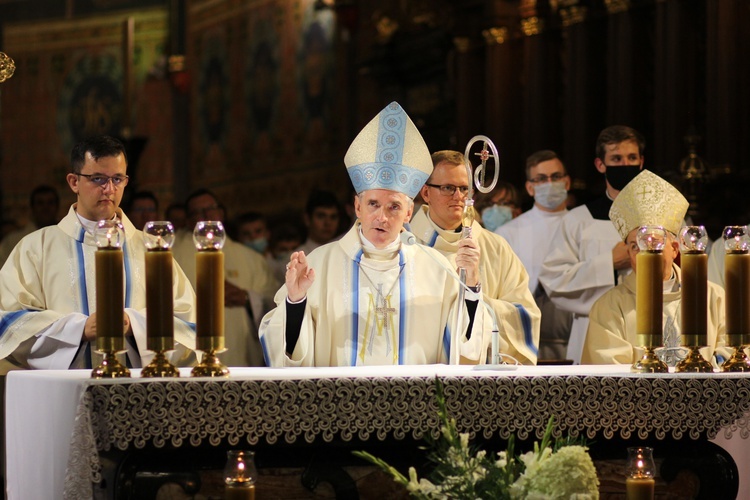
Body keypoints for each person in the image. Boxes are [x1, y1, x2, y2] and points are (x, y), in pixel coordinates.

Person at [259, 102, 492, 367]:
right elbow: (282, 347)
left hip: (416, 404)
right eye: (373, 205)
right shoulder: (320, 265)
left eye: (394, 207)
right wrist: (296, 300)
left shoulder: (437, 268)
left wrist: (471, 283)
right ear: (357, 207)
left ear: (408, 214)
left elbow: (468, 344)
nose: (382, 217)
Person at [0, 135, 196, 370]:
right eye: (98, 179)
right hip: (65, 394)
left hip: (138, 391)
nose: (109, 189)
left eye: (117, 179)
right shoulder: (36, 248)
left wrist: (134, 324)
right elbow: (10, 323)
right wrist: (78, 330)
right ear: (74, 182)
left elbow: (189, 322)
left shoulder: (153, 249)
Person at [582, 170, 728, 366]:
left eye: (653, 243)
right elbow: (610, 376)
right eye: (635, 246)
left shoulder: (713, 297)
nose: (644, 253)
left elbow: (729, 356)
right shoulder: (610, 307)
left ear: (675, 249)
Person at [409, 150, 540, 365]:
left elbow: (525, 314)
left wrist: (472, 306)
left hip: (482, 379)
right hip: (423, 373)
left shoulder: (495, 247)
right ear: (425, 193)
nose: (459, 197)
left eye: (464, 189)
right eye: (448, 188)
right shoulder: (407, 245)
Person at [539, 125, 645, 363]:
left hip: (649, 326)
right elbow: (553, 280)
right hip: (593, 327)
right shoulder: (578, 220)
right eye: (616, 158)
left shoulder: (661, 217)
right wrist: (608, 264)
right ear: (600, 164)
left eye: (631, 158)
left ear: (641, 162)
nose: (624, 164)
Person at [173, 189, 278, 367]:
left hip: (242, 358)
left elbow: (275, 302)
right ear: (188, 220)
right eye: (198, 212)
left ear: (221, 213)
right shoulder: (174, 255)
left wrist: (247, 298)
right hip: (192, 361)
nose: (206, 215)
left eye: (211, 208)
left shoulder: (250, 258)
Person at [495, 150, 573, 361]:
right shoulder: (509, 232)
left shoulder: (584, 225)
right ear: (530, 187)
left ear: (567, 182)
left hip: (573, 329)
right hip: (525, 330)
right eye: (541, 179)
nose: (549, 183)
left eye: (555, 177)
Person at [0, 185, 60, 266]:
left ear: (57, 207)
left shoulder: (65, 238)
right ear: (32, 208)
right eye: (40, 203)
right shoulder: (12, 241)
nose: (46, 207)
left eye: (50, 203)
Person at [297, 189, 342, 254]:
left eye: (333, 217)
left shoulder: (343, 255)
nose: (328, 223)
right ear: (307, 219)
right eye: (321, 216)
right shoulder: (296, 258)